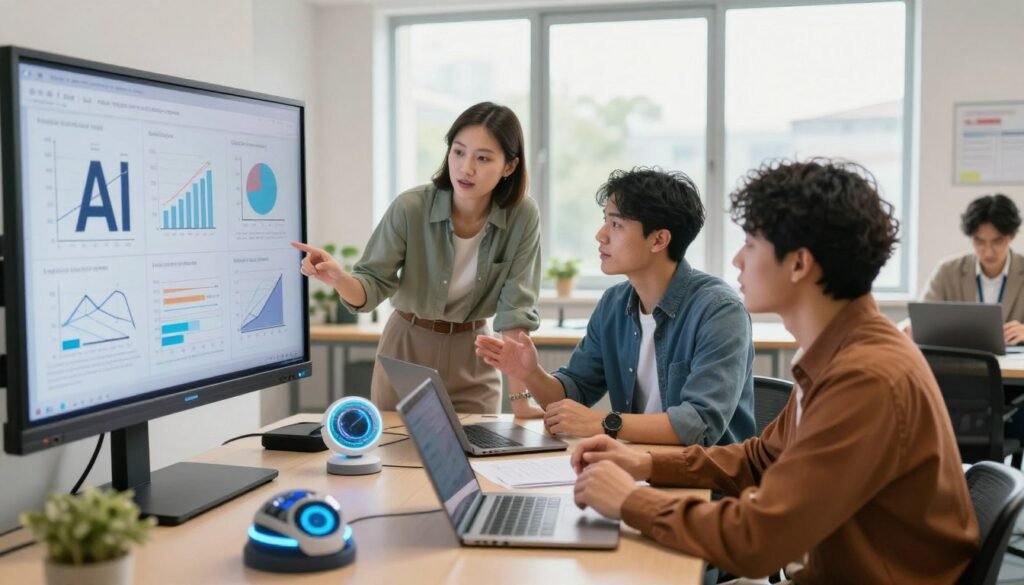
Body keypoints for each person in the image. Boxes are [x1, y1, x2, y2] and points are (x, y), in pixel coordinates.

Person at [571, 159, 978, 584]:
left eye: (750, 243)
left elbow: (757, 540)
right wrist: (643, 463)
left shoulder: (866, 377)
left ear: (799, 264)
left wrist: (629, 503)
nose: (736, 259)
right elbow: (760, 459)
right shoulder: (836, 352)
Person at [293, 102, 543, 417]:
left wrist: (521, 402)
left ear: (509, 166)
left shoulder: (523, 215)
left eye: (483, 158)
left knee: (479, 455)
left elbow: (515, 311)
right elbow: (372, 286)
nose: (466, 168)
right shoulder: (411, 207)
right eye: (458, 151)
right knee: (397, 458)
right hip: (407, 348)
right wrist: (339, 279)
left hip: (474, 351)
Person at [476, 167, 755, 446]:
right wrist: (530, 373)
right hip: (637, 467)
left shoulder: (719, 311)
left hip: (704, 480)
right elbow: (570, 397)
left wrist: (602, 423)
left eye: (616, 224)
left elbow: (699, 424)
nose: (601, 235)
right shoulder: (614, 304)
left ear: (659, 239)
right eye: (604, 222)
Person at [909, 193, 1024, 344]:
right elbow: (921, 319)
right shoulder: (948, 271)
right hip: (961, 360)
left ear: (1012, 236)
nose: (988, 251)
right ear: (970, 237)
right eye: (979, 241)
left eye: (997, 241)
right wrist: (910, 328)